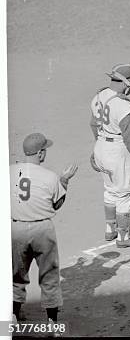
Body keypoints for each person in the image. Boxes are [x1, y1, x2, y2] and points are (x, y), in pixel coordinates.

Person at [11, 132, 78, 324]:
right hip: (42, 231)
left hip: (15, 229)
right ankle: (52, 323)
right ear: (40, 154)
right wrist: (64, 179)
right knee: (49, 276)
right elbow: (57, 204)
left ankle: (14, 317)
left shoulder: (9, 171)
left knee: (15, 274)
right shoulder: (50, 177)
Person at [89, 64, 130, 248]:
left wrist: (98, 147)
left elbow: (93, 124)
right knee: (125, 193)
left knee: (110, 189)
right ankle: (123, 238)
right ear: (125, 81)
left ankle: (110, 230)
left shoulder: (99, 96)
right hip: (118, 151)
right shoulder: (123, 105)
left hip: (101, 146)